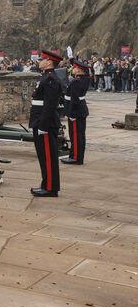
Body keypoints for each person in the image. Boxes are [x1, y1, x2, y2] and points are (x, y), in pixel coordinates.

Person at [29, 49, 63, 197]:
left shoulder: (50, 79)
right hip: (39, 120)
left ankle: (50, 187)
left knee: (48, 156)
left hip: (45, 123)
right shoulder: (45, 77)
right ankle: (46, 184)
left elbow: (50, 105)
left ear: (49, 62)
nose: (39, 61)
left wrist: (43, 125)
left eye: (42, 59)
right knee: (43, 156)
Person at [62, 59, 90, 165]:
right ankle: (76, 156)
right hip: (80, 110)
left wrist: (71, 113)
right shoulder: (83, 79)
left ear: (80, 70)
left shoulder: (77, 81)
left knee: (76, 135)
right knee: (79, 134)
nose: (73, 69)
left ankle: (75, 157)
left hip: (76, 111)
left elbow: (75, 99)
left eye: (75, 68)